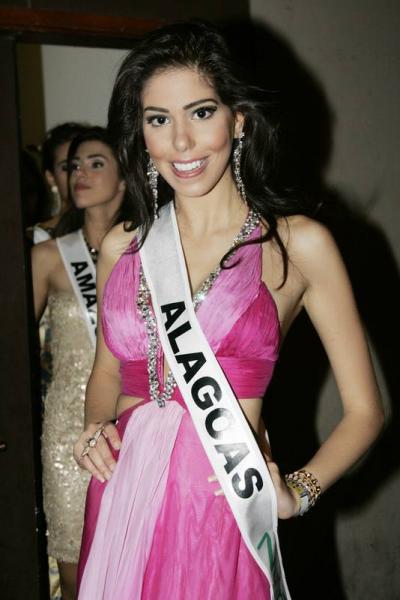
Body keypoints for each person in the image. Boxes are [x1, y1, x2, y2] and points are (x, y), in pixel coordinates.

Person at [73, 22, 384, 599]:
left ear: (238, 119)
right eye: (158, 120)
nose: (181, 143)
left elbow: (366, 411)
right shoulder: (123, 246)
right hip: (121, 500)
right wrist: (94, 429)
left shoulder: (298, 244)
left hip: (219, 506)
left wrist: (299, 491)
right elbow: (107, 374)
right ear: (141, 133)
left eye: (201, 112)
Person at [31, 126, 127, 600]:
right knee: (74, 570)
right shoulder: (47, 256)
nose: (80, 174)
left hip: (130, 418)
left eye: (95, 164)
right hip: (68, 429)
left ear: (125, 176)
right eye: (73, 167)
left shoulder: (148, 249)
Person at [30, 122, 89, 244]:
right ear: (51, 177)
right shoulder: (38, 238)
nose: (79, 174)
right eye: (67, 167)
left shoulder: (120, 230)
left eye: (94, 165)